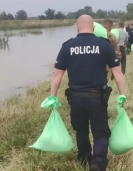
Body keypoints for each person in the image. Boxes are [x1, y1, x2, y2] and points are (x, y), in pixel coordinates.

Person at [50, 14, 126, 171]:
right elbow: (117, 72)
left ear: (77, 28)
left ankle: (85, 159)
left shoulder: (67, 46)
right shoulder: (104, 45)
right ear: (93, 28)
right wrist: (122, 94)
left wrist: (53, 97)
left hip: (76, 98)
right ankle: (97, 163)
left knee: (81, 130)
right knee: (101, 132)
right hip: (98, 98)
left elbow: (57, 74)